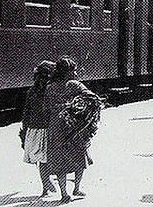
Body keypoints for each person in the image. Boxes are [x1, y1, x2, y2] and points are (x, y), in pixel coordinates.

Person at [45, 56, 98, 202]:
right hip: (74, 127)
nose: (75, 73)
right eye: (73, 70)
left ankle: (64, 194)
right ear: (68, 72)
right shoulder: (75, 85)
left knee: (60, 159)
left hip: (56, 126)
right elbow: (92, 98)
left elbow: (46, 107)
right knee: (80, 155)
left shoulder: (50, 87)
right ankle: (77, 188)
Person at [21, 60, 57, 196]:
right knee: (50, 157)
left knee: (41, 159)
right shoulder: (52, 90)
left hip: (34, 129)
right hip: (49, 129)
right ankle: (48, 182)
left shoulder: (32, 91)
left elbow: (26, 112)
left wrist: (25, 130)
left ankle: (45, 187)